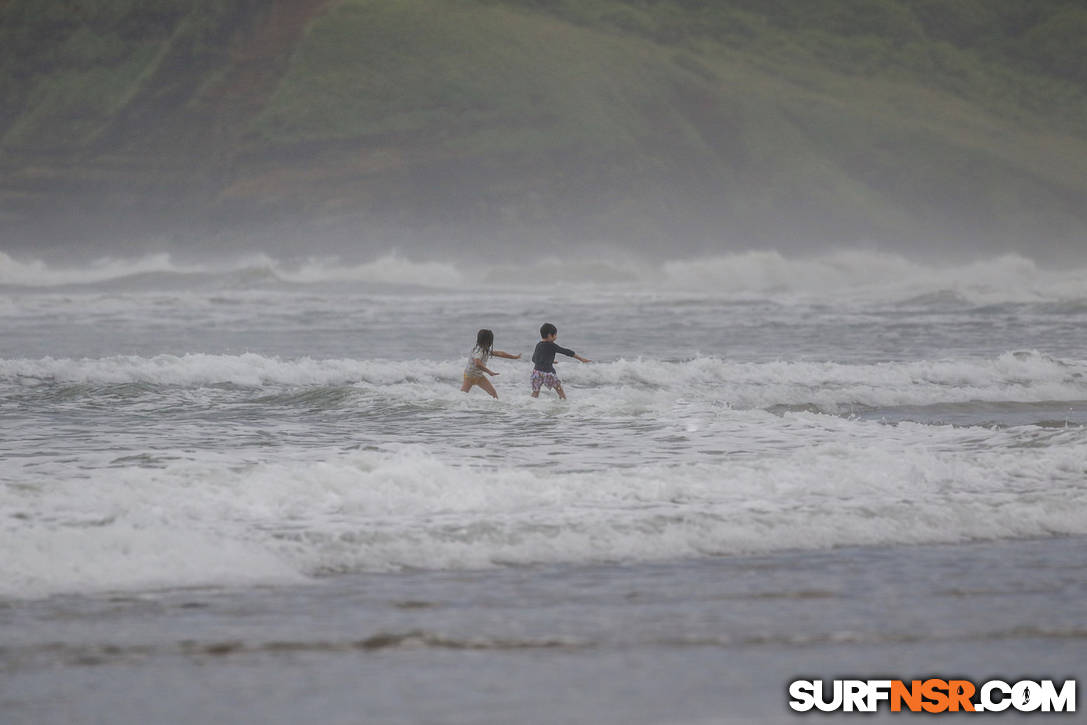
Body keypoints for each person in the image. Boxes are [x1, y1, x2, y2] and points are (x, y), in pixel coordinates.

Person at [530, 322, 590, 400]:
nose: (556, 337)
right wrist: (581, 359)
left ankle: (530, 407)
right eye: (555, 335)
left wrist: (549, 361)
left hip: (536, 373)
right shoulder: (552, 345)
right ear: (549, 335)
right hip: (548, 374)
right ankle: (565, 405)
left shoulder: (538, 345)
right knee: (560, 391)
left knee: (535, 393)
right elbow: (566, 352)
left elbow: (534, 359)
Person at [461, 328, 521, 398]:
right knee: (462, 396)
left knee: (494, 395)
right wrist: (489, 371)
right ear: (487, 341)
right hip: (469, 376)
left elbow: (500, 353)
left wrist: (514, 357)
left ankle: (497, 409)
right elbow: (477, 363)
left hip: (479, 377)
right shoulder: (478, 351)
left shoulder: (485, 350)